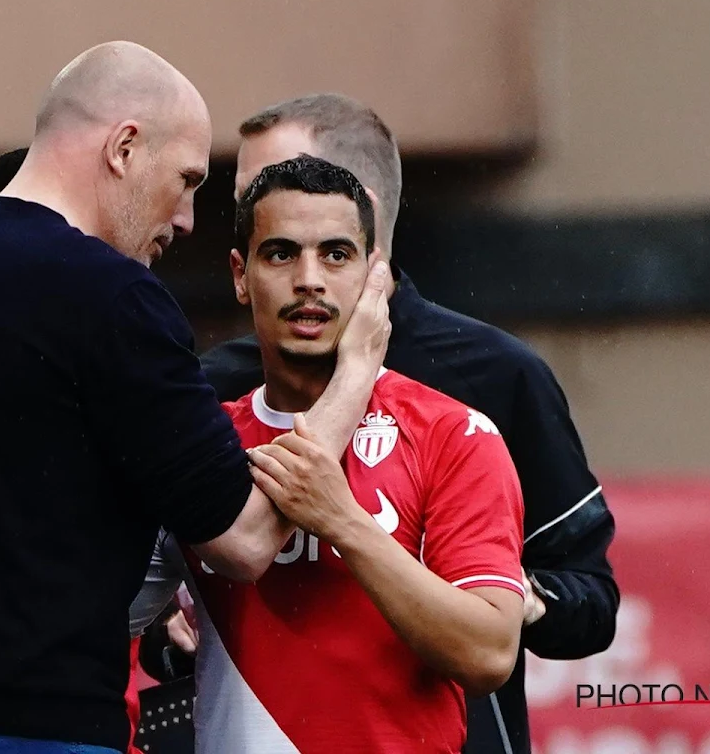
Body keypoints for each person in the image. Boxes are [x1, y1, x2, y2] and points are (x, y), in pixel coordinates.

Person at [0, 42, 390, 753]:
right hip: (23, 725)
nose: (188, 217)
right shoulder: (112, 297)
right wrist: (358, 369)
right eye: (187, 179)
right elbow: (245, 541)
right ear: (125, 148)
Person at [201, 94, 620, 754]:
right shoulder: (213, 391)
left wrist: (501, 589)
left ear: (353, 208)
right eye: (274, 246)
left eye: (270, 183)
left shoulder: (488, 382)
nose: (303, 275)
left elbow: (588, 600)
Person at [148, 155, 527, 752]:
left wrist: (343, 521)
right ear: (240, 274)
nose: (309, 279)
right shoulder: (203, 438)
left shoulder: (453, 434)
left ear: (375, 276)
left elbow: (488, 653)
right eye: (280, 254)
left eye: (335, 254)